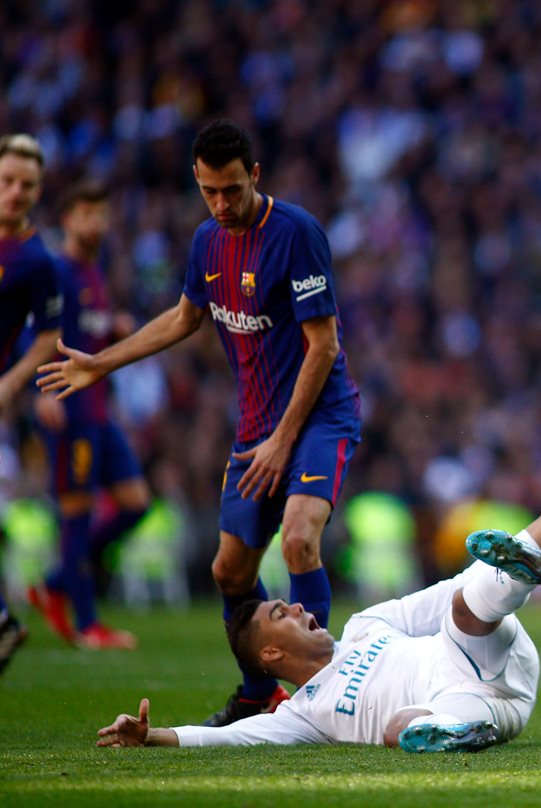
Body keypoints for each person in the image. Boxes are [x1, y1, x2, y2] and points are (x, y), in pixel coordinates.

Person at [38, 120, 362, 724]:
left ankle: (318, 699)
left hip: (319, 417)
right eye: (210, 192)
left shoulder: (296, 233)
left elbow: (324, 345)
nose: (222, 204)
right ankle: (257, 692)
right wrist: (101, 363)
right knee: (228, 570)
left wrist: (284, 439)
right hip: (256, 428)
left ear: (254, 176)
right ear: (196, 180)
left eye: (232, 190)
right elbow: (185, 317)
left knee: (298, 539)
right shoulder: (207, 241)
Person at [95, 469, 541, 751]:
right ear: (270, 653)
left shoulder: (367, 626)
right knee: (399, 731)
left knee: (461, 605)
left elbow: (453, 587)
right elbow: (231, 736)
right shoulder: (303, 715)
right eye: (280, 613)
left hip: (485, 653)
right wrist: (151, 737)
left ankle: (520, 569)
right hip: (475, 706)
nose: (297, 606)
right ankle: (461, 733)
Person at [27, 179, 150, 650]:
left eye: (100, 214)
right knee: (76, 514)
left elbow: (85, 332)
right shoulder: (57, 271)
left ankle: (55, 583)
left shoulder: (93, 270)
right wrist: (40, 392)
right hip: (69, 407)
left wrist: (113, 329)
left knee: (135, 502)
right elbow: (33, 333)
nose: (95, 223)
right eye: (86, 214)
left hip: (98, 411)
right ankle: (87, 624)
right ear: (68, 220)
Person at [0, 133, 63, 674]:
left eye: (27, 184)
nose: (16, 192)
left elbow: (48, 336)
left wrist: (12, 382)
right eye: (7, 181)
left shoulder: (37, 262)